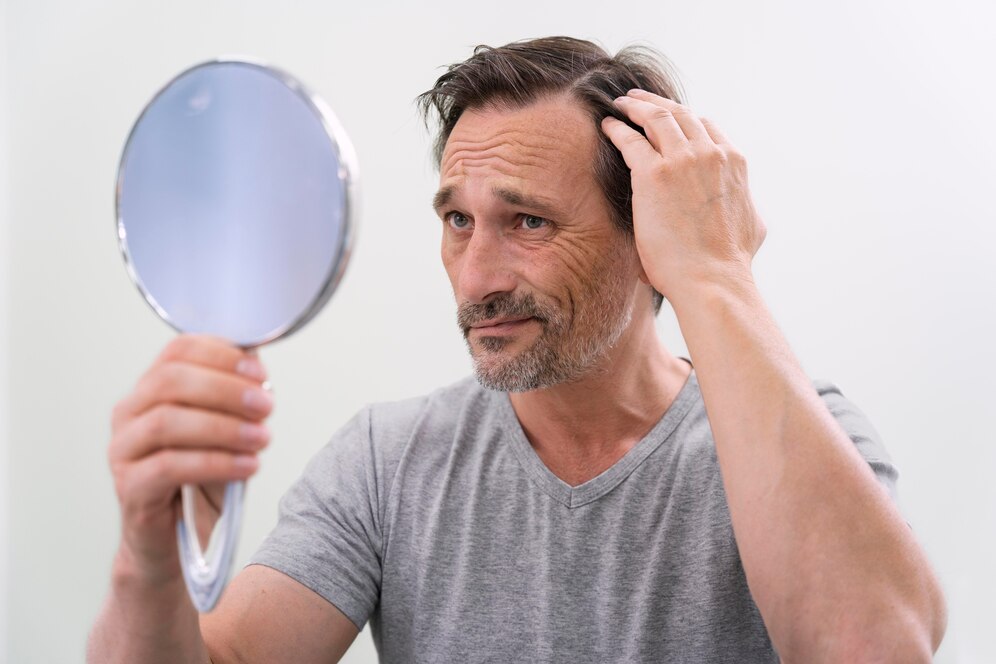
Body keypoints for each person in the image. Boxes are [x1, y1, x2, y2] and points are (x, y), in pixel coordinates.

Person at [87, 36, 946, 663]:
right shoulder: (389, 461)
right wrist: (146, 562)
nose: (476, 278)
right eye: (459, 220)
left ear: (647, 233)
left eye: (528, 221)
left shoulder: (802, 437)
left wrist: (715, 272)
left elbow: (871, 647)